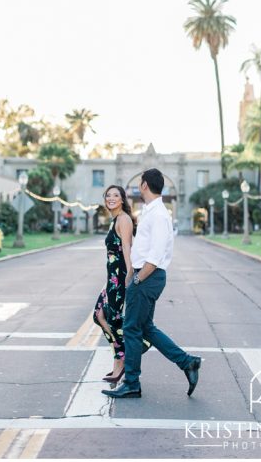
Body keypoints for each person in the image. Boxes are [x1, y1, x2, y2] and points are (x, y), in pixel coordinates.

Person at [102, 168, 201, 399]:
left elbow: (154, 257)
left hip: (147, 277)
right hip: (147, 277)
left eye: (139, 182)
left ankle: (132, 383)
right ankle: (187, 363)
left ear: (145, 185)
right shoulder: (152, 211)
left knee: (130, 328)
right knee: (146, 327)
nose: (138, 185)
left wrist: (137, 279)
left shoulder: (158, 215)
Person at [91, 185, 150, 382]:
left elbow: (127, 247)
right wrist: (108, 282)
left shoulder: (124, 219)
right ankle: (125, 353)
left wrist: (129, 275)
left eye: (116, 195)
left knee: (112, 319)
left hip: (121, 276)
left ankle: (121, 360)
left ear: (123, 199)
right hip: (112, 277)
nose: (111, 198)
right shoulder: (115, 219)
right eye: (108, 195)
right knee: (99, 315)